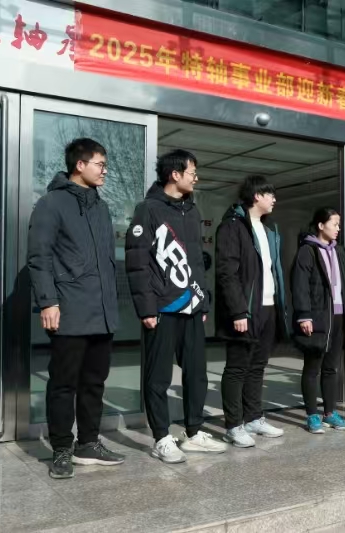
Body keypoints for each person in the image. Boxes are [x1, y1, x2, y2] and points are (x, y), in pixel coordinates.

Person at [27, 138, 125, 479]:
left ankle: (89, 443)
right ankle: (61, 449)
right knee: (63, 384)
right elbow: (39, 256)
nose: (105, 170)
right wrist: (48, 301)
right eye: (100, 164)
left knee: (94, 383)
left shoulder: (101, 206)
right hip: (69, 309)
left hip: (102, 312)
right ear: (80, 165)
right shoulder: (51, 203)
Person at [125, 149, 225, 464]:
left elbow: (196, 262)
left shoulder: (191, 211)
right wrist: (146, 309)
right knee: (158, 378)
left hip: (191, 308)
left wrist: (202, 299)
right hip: (162, 309)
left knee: (196, 374)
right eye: (192, 172)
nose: (196, 177)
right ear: (175, 174)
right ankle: (161, 438)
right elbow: (137, 263)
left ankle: (194, 433)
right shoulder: (148, 210)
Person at [215, 175, 288, 448]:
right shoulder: (232, 227)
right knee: (237, 368)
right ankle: (233, 425)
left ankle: (254, 418)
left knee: (257, 366)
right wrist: (238, 311)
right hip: (245, 309)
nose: (274, 199)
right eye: (270, 194)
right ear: (256, 195)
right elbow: (227, 273)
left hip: (268, 307)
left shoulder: (268, 231)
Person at [291, 208, 345, 434]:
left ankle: (330, 413)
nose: (338, 228)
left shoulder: (340, 252)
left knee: (332, 368)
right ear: (321, 225)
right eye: (334, 224)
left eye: (339, 224)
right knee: (312, 368)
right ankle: (312, 415)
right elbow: (300, 285)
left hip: (340, 317)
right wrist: (304, 315)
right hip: (318, 317)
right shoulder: (307, 251)